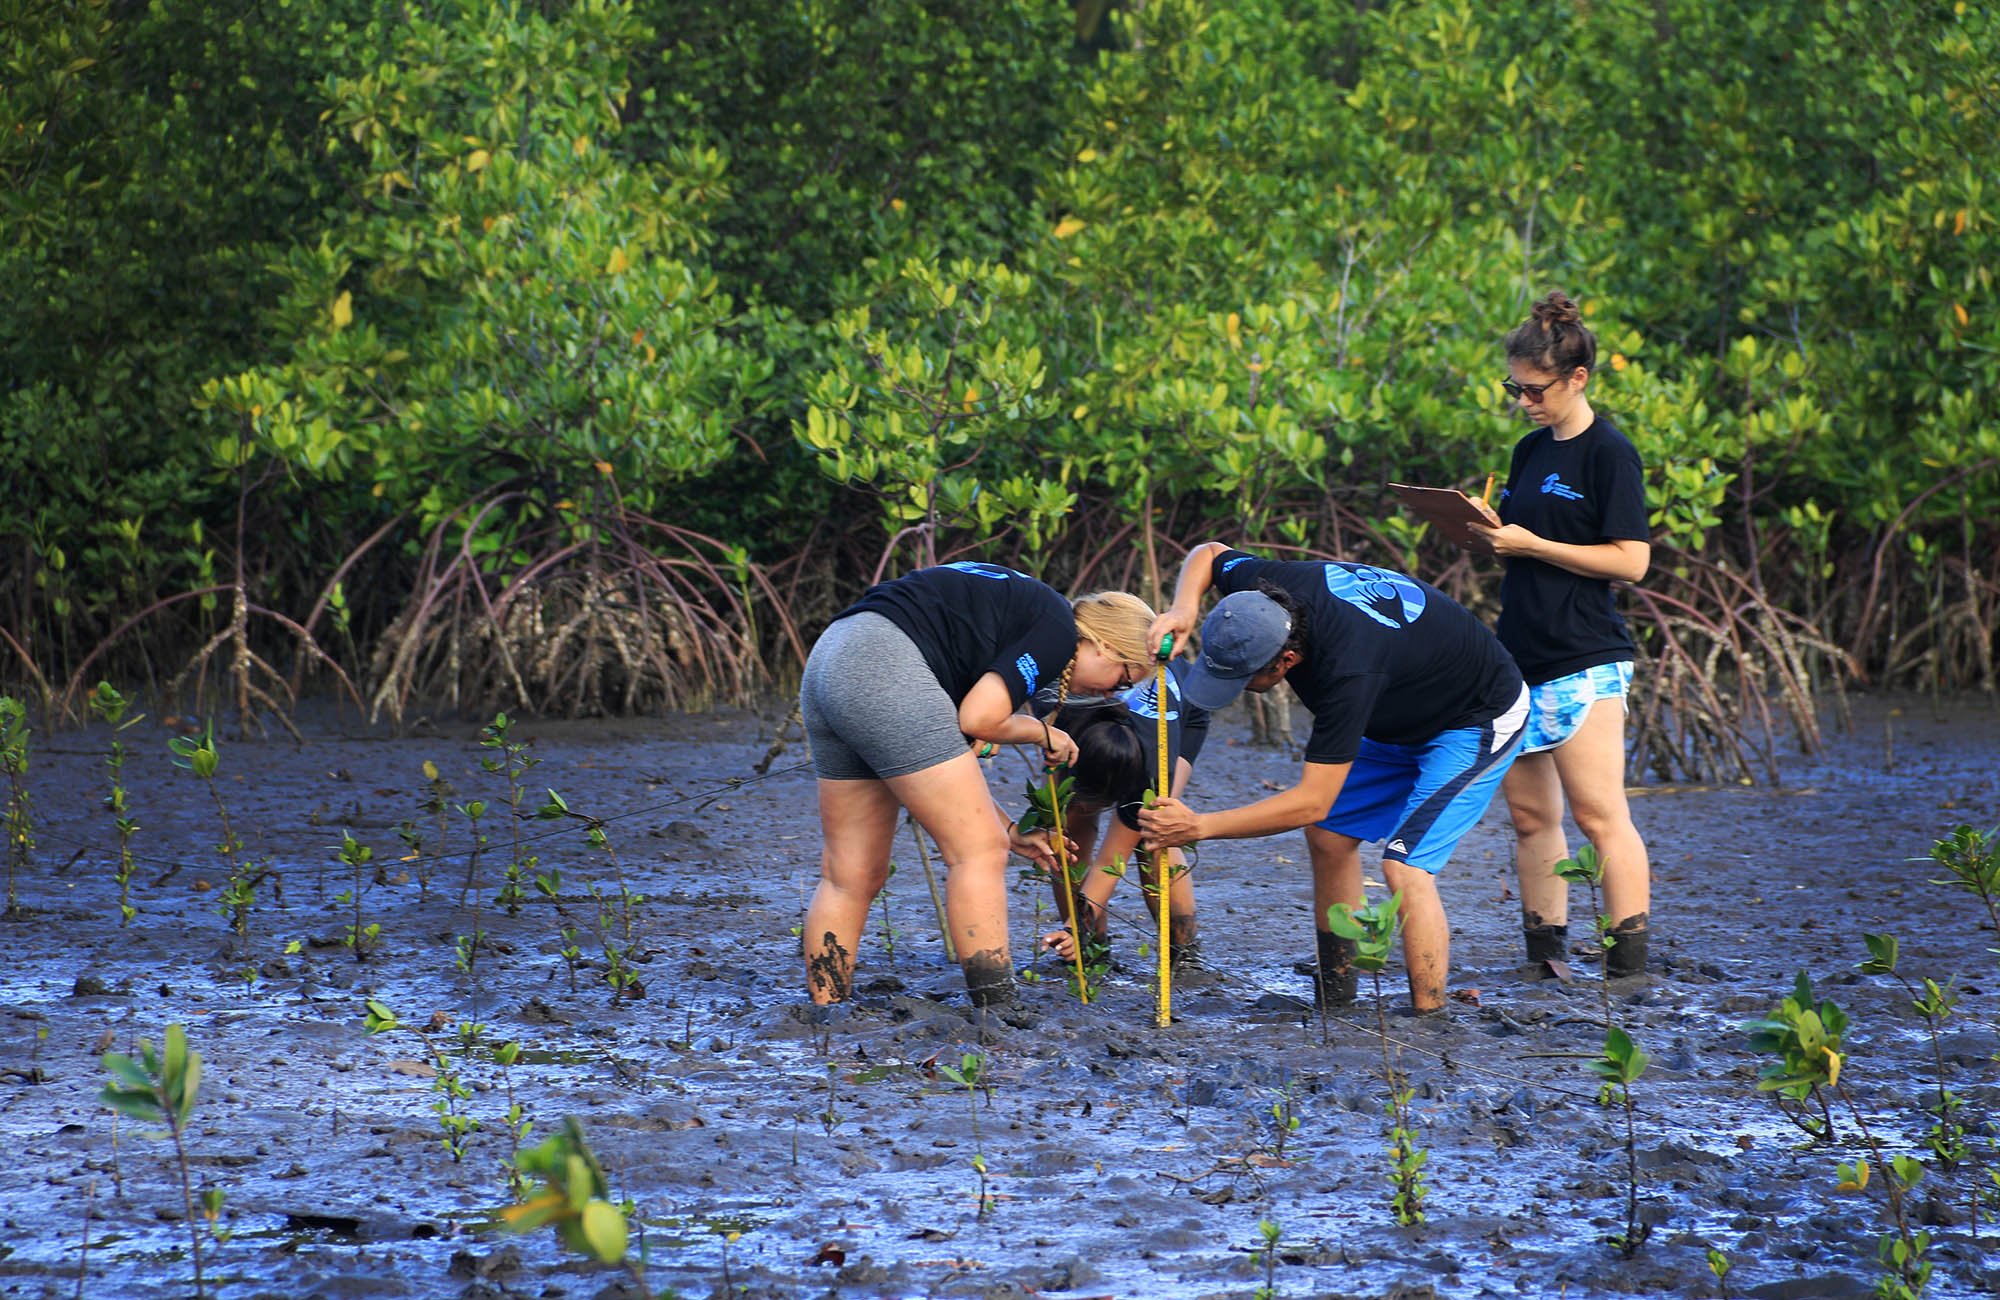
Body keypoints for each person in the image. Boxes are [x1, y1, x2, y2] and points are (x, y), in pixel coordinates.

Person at [1137, 547, 1528, 1014]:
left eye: (1244, 678)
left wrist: (1199, 827)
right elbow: (1209, 554)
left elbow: (1312, 801)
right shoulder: (1267, 589)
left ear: (1287, 660)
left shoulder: (1346, 671)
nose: (1236, 688)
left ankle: (1430, 1016)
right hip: (1396, 704)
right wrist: (1184, 608)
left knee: (1404, 866)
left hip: (1473, 718)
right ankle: (1338, 992)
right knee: (1328, 838)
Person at [798, 565, 1158, 1007]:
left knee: (851, 874)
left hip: (833, 656)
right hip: (885, 662)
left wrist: (1009, 831)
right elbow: (979, 720)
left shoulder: (1009, 628)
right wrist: (1041, 732)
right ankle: (997, 1010)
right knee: (979, 853)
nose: (1109, 696)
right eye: (1122, 679)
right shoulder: (1057, 630)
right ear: (1104, 645)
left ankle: (827, 1017)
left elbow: (942, 779)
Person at [1467, 291, 1654, 977]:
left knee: (1599, 815)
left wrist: (1535, 544)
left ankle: (1627, 967)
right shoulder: (1529, 450)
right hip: (1520, 653)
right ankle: (1544, 957)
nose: (1523, 401)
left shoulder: (1610, 454)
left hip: (1585, 654)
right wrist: (1494, 534)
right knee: (1529, 818)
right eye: (1513, 388)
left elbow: (1632, 561)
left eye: (1534, 389)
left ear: (1577, 379)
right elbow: (1522, 540)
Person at [1030, 658, 1211, 965]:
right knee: (1067, 826)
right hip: (1086, 725)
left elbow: (1108, 863)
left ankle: (1184, 952)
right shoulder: (1058, 706)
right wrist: (1075, 931)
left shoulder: (1154, 768)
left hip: (1182, 712)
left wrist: (1078, 926)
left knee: (1152, 831)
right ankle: (1089, 951)